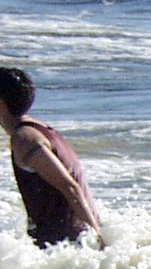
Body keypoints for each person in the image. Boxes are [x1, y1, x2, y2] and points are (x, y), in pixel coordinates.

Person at [0, 66, 101, 248]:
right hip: (72, 244)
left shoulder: (25, 139)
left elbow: (70, 187)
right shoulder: (43, 130)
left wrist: (99, 240)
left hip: (66, 247)